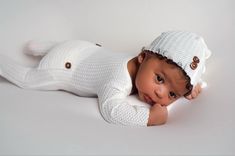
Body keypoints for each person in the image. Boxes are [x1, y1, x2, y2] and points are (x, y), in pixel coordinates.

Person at [0, 31, 211, 126]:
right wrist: (150, 119)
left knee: (69, 48)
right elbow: (112, 110)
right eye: (159, 79)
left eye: (172, 94)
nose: (160, 94)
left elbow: (179, 79)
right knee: (29, 79)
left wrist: (192, 87)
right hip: (66, 64)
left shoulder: (141, 66)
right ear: (142, 57)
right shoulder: (118, 79)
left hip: (84, 47)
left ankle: (44, 47)